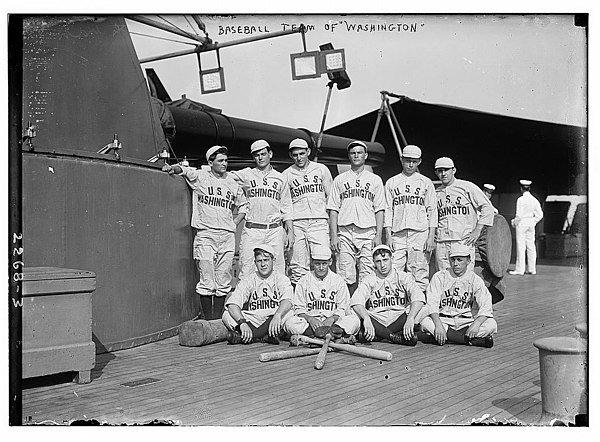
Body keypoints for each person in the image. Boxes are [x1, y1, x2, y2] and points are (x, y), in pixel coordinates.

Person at [162, 145, 246, 320]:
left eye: (226, 160)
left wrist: (234, 222)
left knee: (223, 277)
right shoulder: (202, 176)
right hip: (206, 234)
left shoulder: (231, 182)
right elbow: (184, 170)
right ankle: (208, 321)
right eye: (220, 160)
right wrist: (172, 168)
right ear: (210, 162)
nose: (224, 164)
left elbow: (243, 205)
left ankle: (216, 322)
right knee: (207, 277)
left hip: (227, 235)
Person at [327, 140, 386, 292]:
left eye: (359, 153)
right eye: (353, 153)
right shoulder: (340, 179)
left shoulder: (375, 179)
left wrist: (378, 235)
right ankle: (347, 310)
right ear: (349, 156)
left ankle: (365, 309)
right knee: (345, 272)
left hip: (367, 231)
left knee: (367, 272)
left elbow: (380, 209)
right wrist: (334, 235)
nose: (356, 155)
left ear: (365, 155)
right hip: (345, 231)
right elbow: (333, 209)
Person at [232, 139, 294, 280]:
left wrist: (290, 232)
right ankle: (248, 302)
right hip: (253, 229)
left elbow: (286, 206)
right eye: (256, 155)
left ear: (270, 154)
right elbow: (224, 176)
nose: (260, 158)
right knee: (246, 269)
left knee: (277, 270)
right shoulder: (247, 174)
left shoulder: (280, 177)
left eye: (263, 154)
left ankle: (276, 301)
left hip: (274, 229)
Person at [420, 243, 497, 348]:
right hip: (443, 321)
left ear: (468, 261)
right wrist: (438, 325)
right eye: (453, 259)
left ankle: (446, 338)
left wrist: (476, 324)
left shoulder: (475, 280)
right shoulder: (440, 277)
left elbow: (486, 305)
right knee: (425, 321)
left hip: (466, 322)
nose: (455, 263)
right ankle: (468, 340)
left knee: (491, 324)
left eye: (460, 260)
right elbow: (432, 304)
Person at [348, 245, 426, 346]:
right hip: (377, 318)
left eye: (385, 260)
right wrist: (367, 319)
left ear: (392, 259)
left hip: (399, 317)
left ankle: (379, 336)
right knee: (354, 311)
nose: (382, 265)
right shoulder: (369, 279)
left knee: (424, 308)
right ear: (374, 262)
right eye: (378, 261)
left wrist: (410, 318)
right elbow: (356, 302)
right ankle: (394, 337)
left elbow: (418, 297)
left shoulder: (403, 276)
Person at [384, 144, 437, 291]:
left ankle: (418, 308)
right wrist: (388, 236)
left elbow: (432, 210)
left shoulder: (425, 182)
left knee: (419, 271)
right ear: (401, 160)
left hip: (419, 233)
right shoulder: (392, 182)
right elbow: (388, 210)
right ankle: (397, 307)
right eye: (407, 160)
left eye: (414, 161)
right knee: (393, 270)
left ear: (419, 161)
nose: (410, 164)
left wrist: (431, 237)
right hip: (398, 233)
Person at [282, 138, 333, 286]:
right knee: (298, 266)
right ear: (291, 155)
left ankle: (322, 300)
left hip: (319, 221)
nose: (299, 158)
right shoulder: (287, 174)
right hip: (298, 223)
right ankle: (300, 304)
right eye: (295, 154)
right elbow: (286, 205)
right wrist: (289, 230)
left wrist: (331, 225)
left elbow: (331, 198)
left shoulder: (321, 169)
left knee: (322, 260)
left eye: (302, 153)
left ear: (308, 152)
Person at [222, 244, 293, 345]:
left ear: (273, 260)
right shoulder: (249, 279)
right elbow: (233, 304)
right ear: (255, 263)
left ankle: (251, 336)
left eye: (266, 260)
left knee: (288, 313)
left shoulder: (282, 279)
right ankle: (264, 336)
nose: (263, 264)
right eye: (259, 261)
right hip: (254, 319)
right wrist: (242, 323)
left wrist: (277, 315)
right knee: (227, 315)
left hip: (273, 316)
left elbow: (287, 301)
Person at [433, 157, 495, 272]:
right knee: (443, 279)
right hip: (442, 243)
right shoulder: (436, 193)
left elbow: (487, 207)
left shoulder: (466, 187)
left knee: (464, 279)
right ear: (436, 172)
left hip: (462, 241)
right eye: (440, 171)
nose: (443, 174)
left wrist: (477, 230)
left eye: (446, 170)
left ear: (454, 170)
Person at [284, 247, 356, 342]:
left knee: (354, 320)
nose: (321, 268)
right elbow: (298, 309)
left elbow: (343, 308)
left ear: (330, 262)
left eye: (324, 264)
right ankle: (334, 336)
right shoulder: (304, 281)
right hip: (310, 324)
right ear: (312, 262)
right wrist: (310, 319)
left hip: (333, 323)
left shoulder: (338, 280)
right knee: (290, 322)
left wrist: (332, 319)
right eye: (318, 264)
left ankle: (315, 338)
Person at [509, 179, 543, 275]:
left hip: (522, 224)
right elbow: (540, 215)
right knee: (531, 246)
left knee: (521, 246)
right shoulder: (534, 200)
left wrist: (514, 222)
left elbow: (519, 215)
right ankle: (532, 269)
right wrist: (534, 221)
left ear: (521, 189)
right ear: (529, 188)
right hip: (531, 223)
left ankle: (520, 269)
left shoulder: (520, 200)